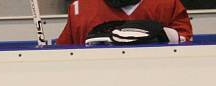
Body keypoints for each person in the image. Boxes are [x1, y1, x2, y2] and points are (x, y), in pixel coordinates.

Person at [56, 0, 192, 45]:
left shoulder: (167, 4)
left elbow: (188, 47)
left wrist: (162, 35)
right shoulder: (80, 9)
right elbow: (63, 56)